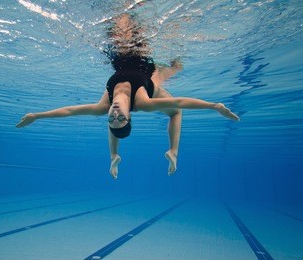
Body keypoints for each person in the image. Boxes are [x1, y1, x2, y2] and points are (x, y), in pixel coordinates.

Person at [16, 13, 239, 179]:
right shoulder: (143, 102)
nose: (114, 114)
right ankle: (174, 150)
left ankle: (114, 156)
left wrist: (37, 115)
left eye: (110, 118)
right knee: (173, 79)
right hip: (146, 70)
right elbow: (179, 103)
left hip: (120, 57)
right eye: (120, 117)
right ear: (129, 116)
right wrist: (214, 106)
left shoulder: (104, 106)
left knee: (120, 28)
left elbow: (70, 111)